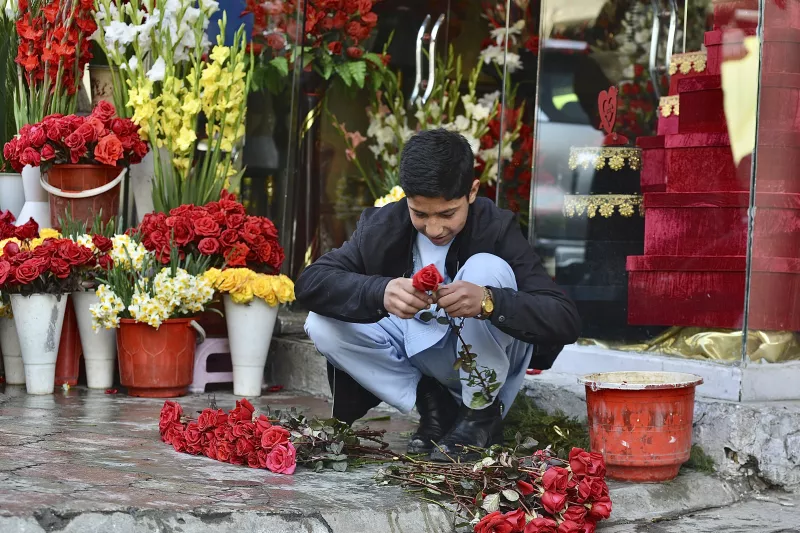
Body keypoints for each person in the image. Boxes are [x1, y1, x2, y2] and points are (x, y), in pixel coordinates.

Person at [295, 129, 580, 460]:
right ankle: (433, 403)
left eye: (447, 214)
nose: (434, 228)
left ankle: (480, 415)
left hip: (486, 357)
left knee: (485, 268)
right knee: (321, 324)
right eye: (420, 213)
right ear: (406, 198)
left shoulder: (494, 227)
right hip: (423, 357)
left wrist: (489, 301)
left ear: (472, 192)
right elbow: (310, 282)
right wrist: (381, 291)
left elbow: (565, 318)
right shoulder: (384, 226)